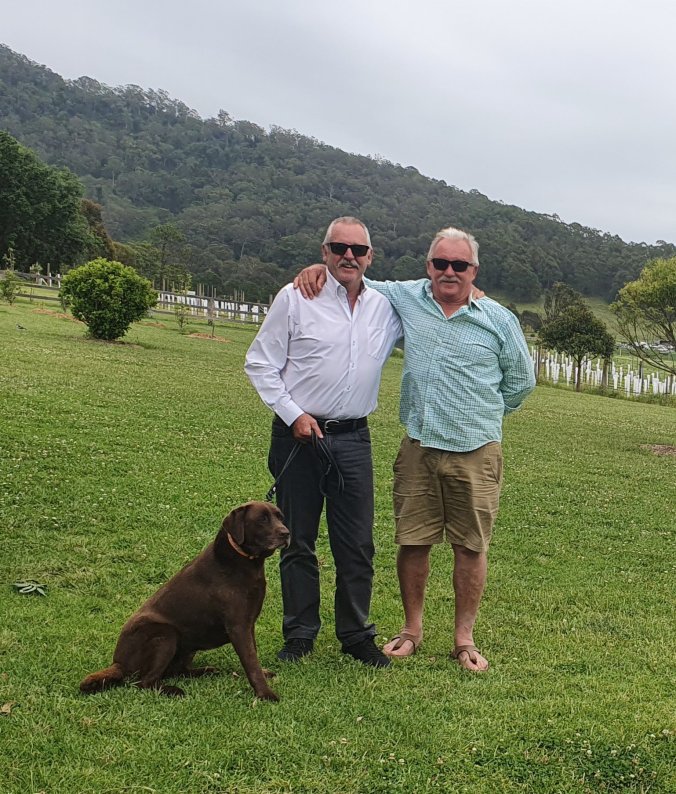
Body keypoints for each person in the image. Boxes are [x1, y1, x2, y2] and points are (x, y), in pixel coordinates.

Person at [295, 226, 535, 670]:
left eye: (459, 265)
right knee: (413, 540)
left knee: (470, 546)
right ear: (428, 266)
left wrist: (481, 412)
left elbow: (521, 382)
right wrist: (319, 268)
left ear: (474, 270)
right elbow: (354, 275)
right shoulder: (407, 297)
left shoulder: (498, 319)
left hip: (476, 450)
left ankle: (464, 639)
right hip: (418, 447)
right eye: (441, 263)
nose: (449, 272)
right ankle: (411, 630)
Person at [244, 217, 403, 668]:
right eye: (338, 248)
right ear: (324, 251)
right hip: (298, 436)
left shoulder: (386, 307)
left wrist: (475, 292)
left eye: (358, 249)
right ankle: (299, 634)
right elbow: (260, 363)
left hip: (353, 438)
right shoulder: (295, 297)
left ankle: (356, 635)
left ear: (371, 256)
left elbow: (434, 290)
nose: (348, 256)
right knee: (295, 540)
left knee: (357, 544)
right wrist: (293, 414)